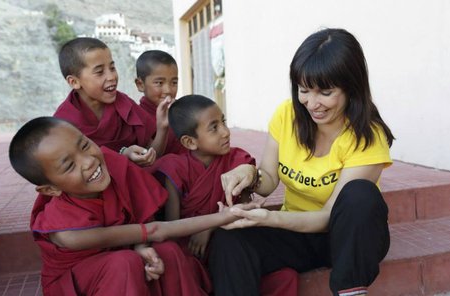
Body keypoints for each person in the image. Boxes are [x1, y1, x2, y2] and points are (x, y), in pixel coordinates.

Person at [209, 28, 395, 296]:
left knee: (360, 195)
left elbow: (327, 217)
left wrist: (268, 218)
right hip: (298, 231)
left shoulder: (367, 136)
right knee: (231, 237)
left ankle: (351, 290)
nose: (312, 103)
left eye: (326, 92)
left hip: (348, 238)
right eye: (304, 90)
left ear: (351, 87)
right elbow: (268, 180)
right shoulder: (288, 115)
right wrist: (249, 173)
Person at [8, 116, 255, 296]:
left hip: (121, 253)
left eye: (84, 145)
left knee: (167, 252)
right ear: (51, 190)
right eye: (69, 166)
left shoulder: (113, 163)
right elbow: (157, 229)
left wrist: (141, 246)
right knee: (123, 264)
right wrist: (226, 217)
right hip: (78, 282)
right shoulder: (67, 233)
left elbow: (143, 224)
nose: (89, 161)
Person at [156, 94, 300, 295]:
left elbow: (244, 211)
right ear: (190, 142)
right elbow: (172, 228)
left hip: (229, 247)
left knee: (285, 277)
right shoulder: (174, 169)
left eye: (223, 121)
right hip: (191, 251)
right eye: (214, 128)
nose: (225, 132)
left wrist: (209, 227)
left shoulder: (237, 161)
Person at [54, 37, 172, 167]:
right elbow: (77, 173)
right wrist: (121, 156)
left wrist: (162, 127)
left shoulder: (124, 103)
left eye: (112, 68)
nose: (111, 77)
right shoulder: (63, 124)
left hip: (139, 177)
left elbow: (152, 155)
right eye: (99, 72)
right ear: (74, 82)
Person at [135, 50, 187, 155]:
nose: (168, 90)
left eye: (174, 82)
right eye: (159, 83)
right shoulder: (137, 117)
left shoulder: (182, 109)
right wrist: (162, 128)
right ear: (140, 84)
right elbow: (150, 157)